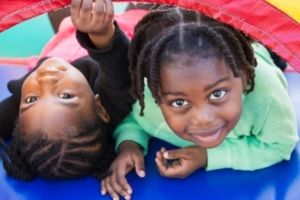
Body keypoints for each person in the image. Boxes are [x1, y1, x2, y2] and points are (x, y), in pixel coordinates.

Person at [100, 7, 299, 200]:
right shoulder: (152, 98)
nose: (203, 119)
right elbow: (135, 118)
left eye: (218, 94)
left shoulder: (267, 95)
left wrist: (206, 156)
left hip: (258, 53)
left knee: (267, 46)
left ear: (245, 77)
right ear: (156, 96)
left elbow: (281, 145)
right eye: (179, 102)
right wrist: (130, 144)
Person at [0, 0, 134, 182]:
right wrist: (103, 35)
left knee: (56, 6)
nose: (45, 81)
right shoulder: (111, 102)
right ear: (99, 108)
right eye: (65, 96)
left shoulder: (30, 102)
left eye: (31, 99)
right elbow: (119, 69)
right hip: (125, 25)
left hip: (65, 37)